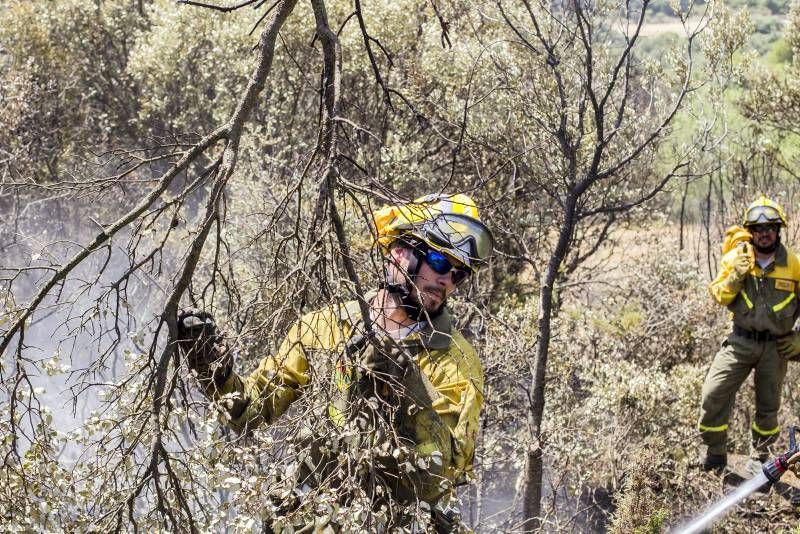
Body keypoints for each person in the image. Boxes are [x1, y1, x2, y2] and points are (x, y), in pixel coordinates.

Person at [176, 193, 493, 532]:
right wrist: (210, 364)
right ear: (401, 251)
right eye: (440, 262)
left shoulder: (457, 361)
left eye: (459, 274)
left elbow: (436, 478)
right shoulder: (327, 326)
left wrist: (406, 386)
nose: (447, 281)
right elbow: (249, 412)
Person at [699, 195, 800, 472]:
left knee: (768, 406)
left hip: (775, 348)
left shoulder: (793, 264)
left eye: (770, 228)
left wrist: (798, 337)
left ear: (778, 230)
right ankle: (715, 453)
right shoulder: (735, 258)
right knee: (713, 393)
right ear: (751, 231)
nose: (764, 233)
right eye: (758, 229)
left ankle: (759, 458)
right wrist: (735, 276)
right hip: (740, 340)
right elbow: (719, 295)